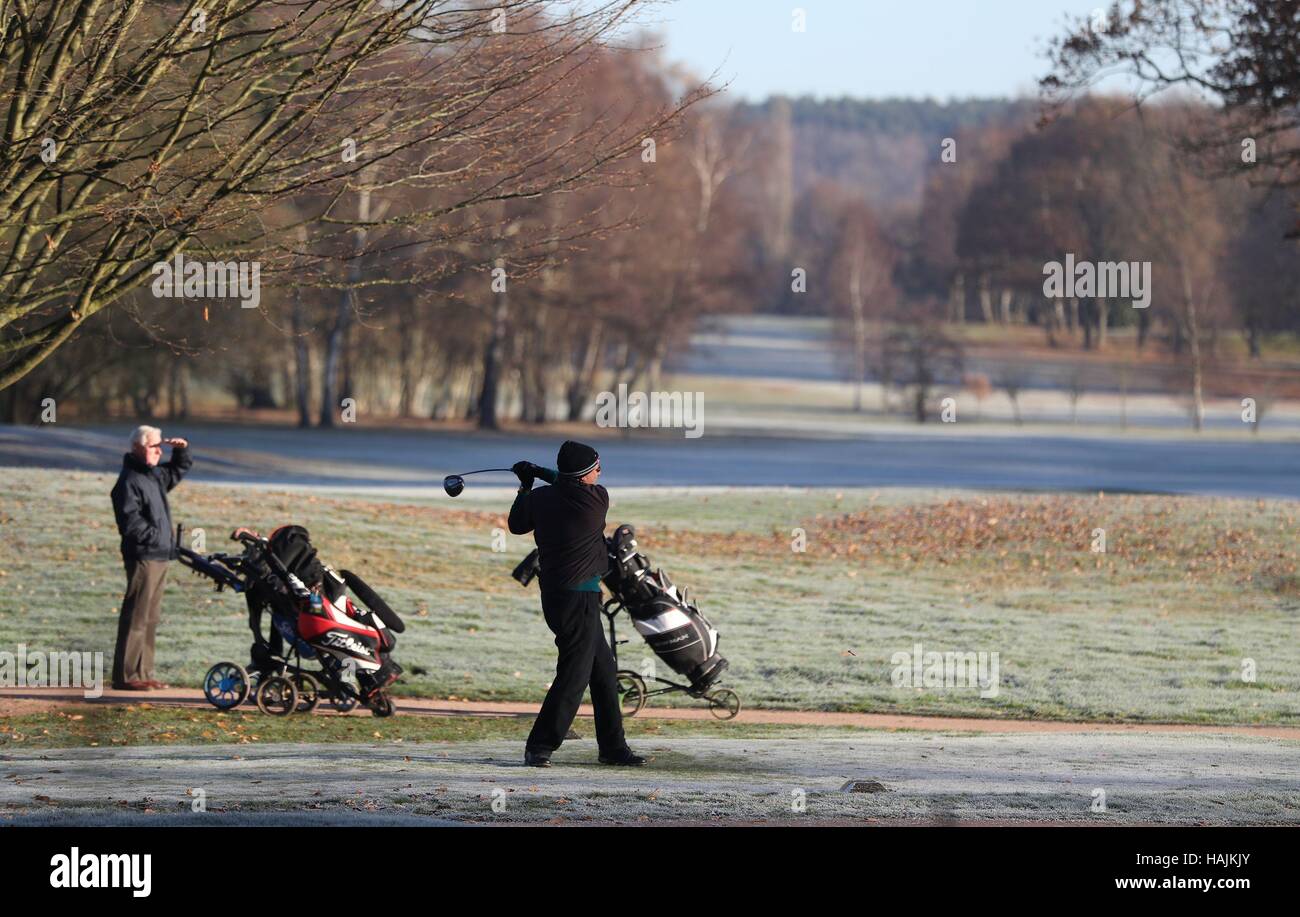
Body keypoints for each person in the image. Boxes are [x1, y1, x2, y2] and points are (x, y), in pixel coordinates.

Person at [508, 441, 644, 767]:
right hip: (579, 599)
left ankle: (613, 748)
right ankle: (540, 746)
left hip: (556, 596)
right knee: (574, 674)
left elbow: (516, 525)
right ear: (585, 476)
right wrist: (539, 473)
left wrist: (527, 483)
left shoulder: (541, 499)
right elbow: (565, 482)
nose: (600, 472)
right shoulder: (597, 499)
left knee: (604, 671)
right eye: (597, 467)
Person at [109, 425, 192, 691]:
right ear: (137, 448)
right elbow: (130, 524)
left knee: (150, 617)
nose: (159, 451)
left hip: (159, 555)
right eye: (153, 446)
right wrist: (158, 536)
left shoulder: (153, 476)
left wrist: (181, 451)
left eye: (161, 447)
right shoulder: (129, 480)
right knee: (136, 615)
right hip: (144, 556)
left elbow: (177, 471)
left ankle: (143, 672)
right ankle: (126, 676)